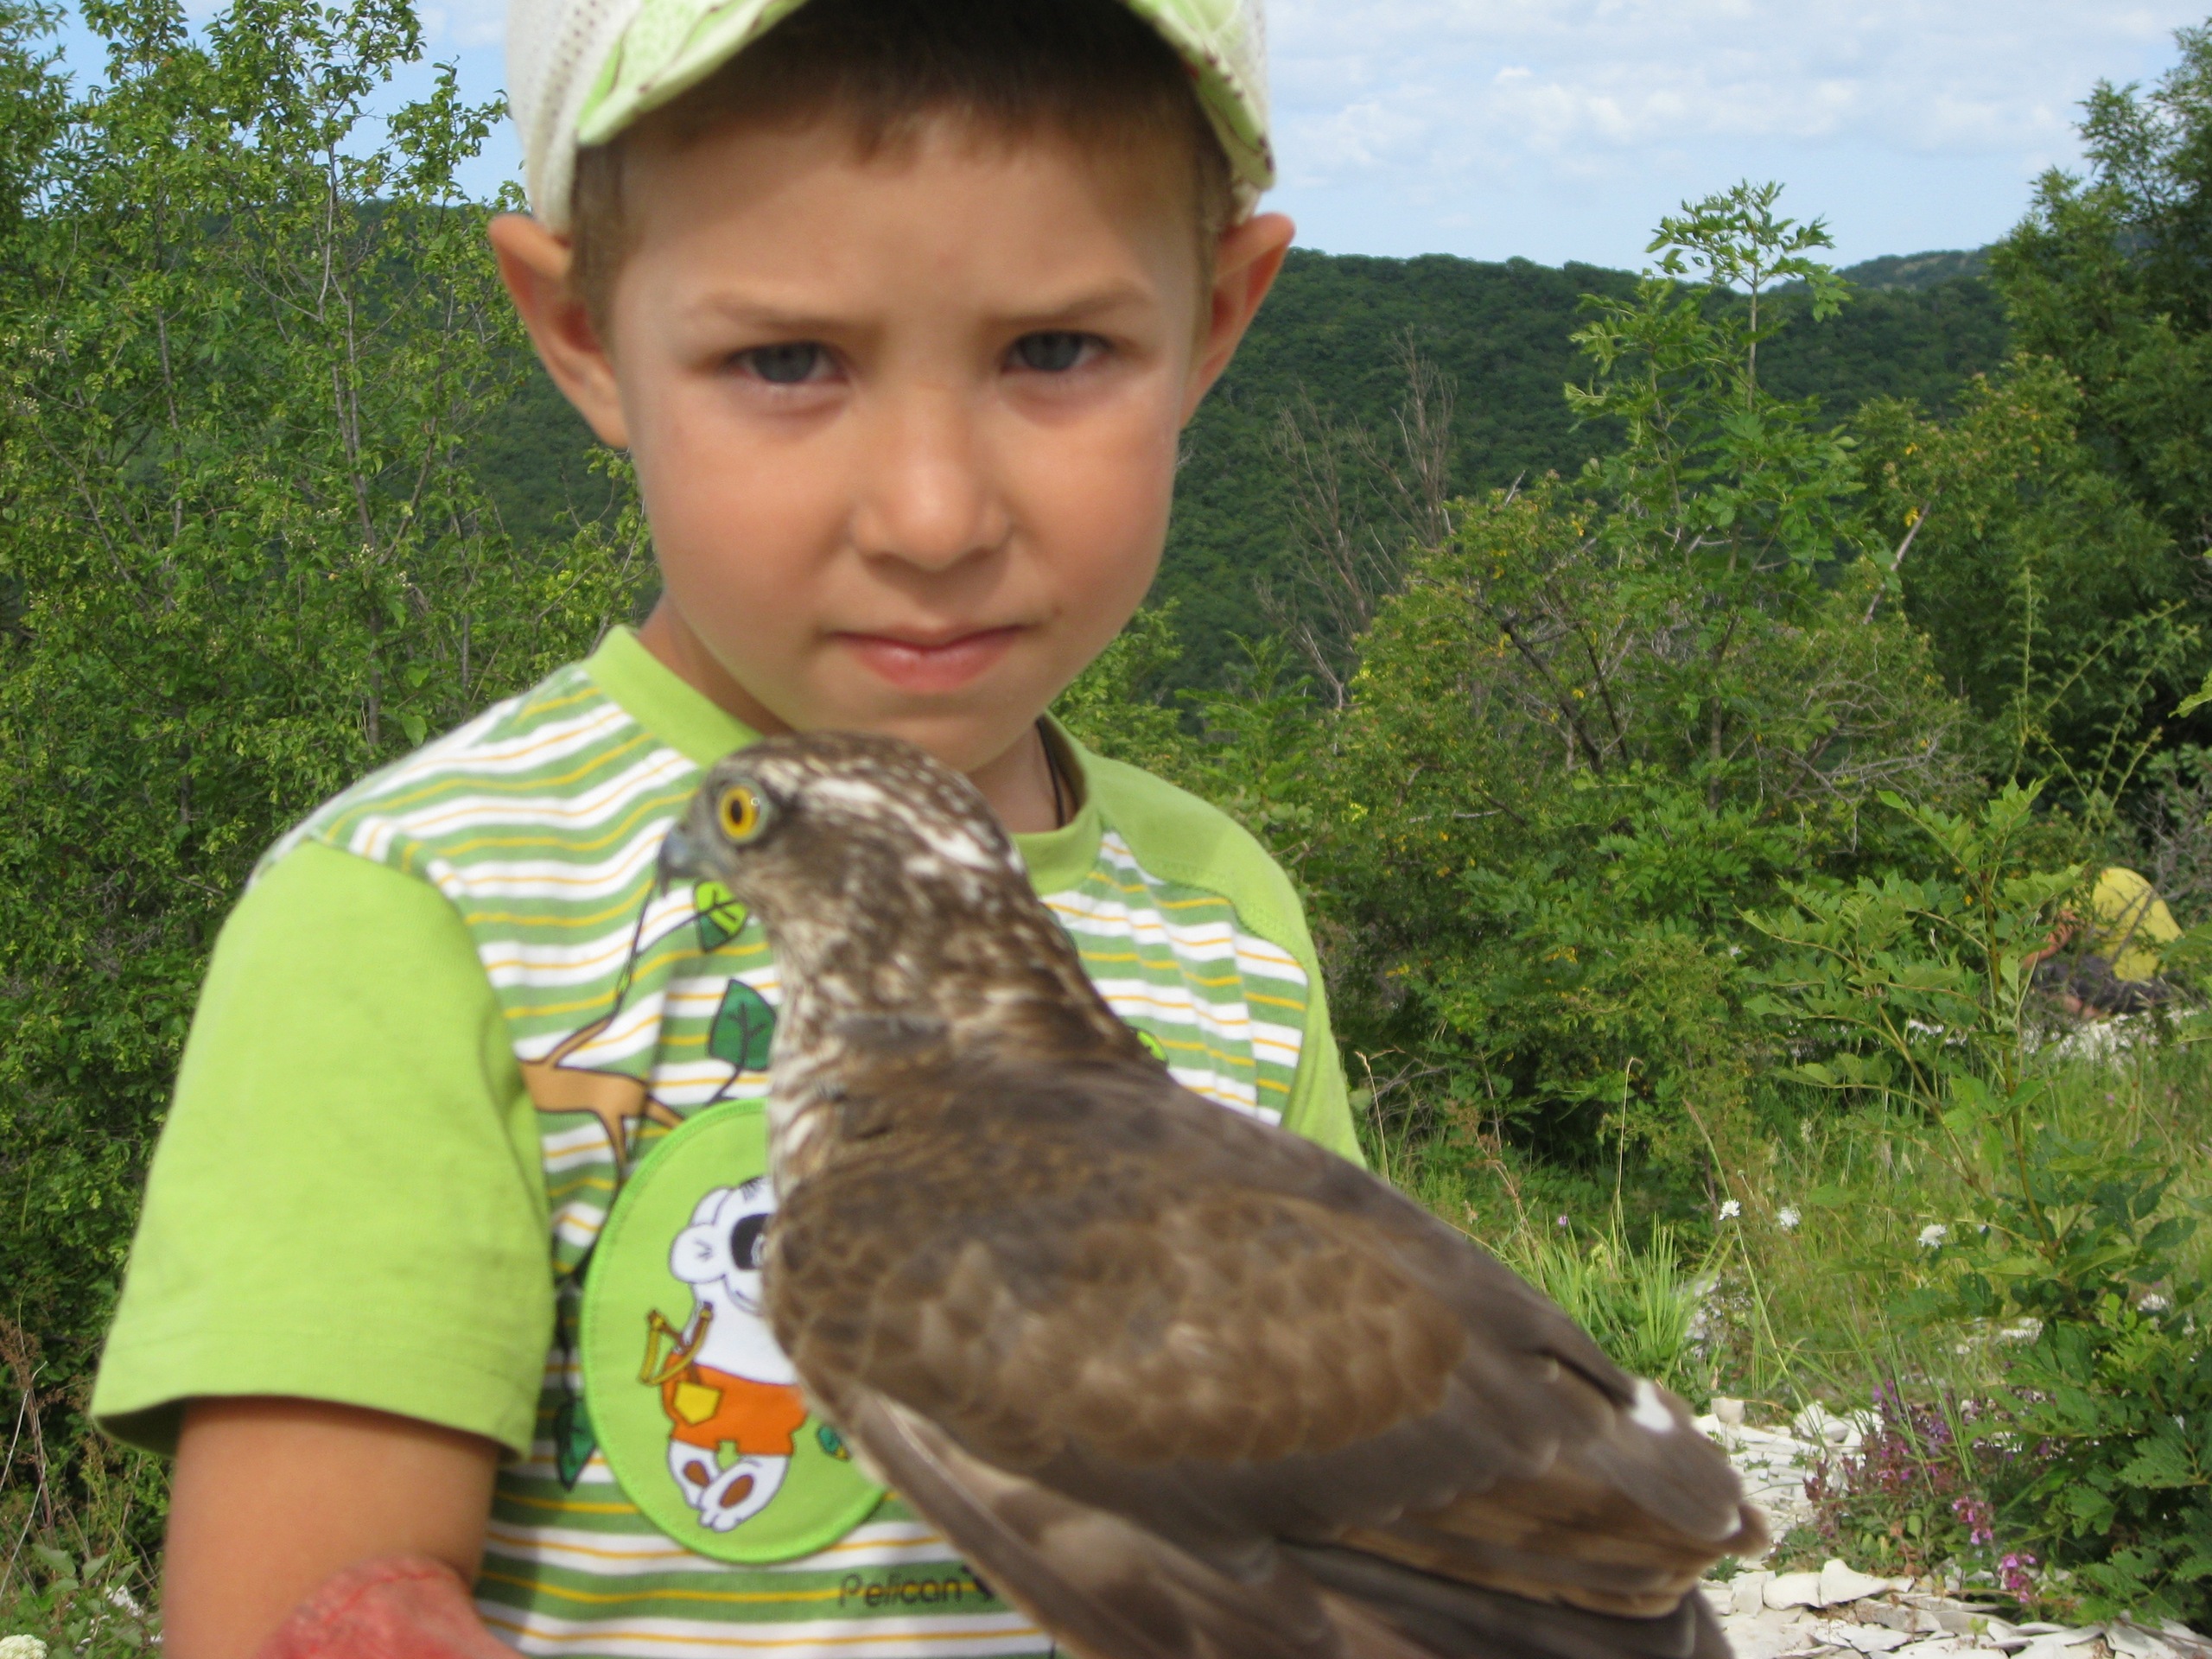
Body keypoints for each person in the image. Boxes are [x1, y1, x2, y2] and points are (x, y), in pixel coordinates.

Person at [87, 3, 1358, 1656]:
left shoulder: (1219, 917)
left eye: (1054, 351)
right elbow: (301, 1614)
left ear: (1218, 320)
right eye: (788, 362)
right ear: (582, 334)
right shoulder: (422, 912)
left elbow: (1338, 1537)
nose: (932, 515)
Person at [2025, 866, 2187, 1017]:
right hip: (2180, 976)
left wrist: (2014, 969)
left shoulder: (2083, 897)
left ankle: (2095, 1019)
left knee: (2043, 974)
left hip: (2135, 986)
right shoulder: (2121, 875)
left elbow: (2046, 947)